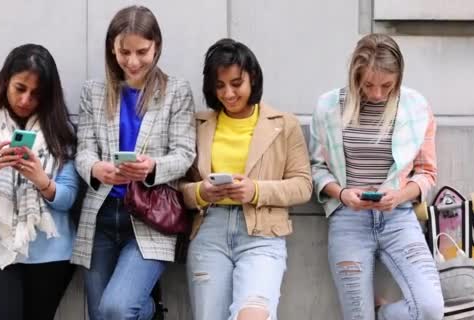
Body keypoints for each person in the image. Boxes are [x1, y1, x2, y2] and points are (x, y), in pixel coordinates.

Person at [71, 5, 196, 320]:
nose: (133, 61)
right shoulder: (93, 92)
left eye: (142, 51)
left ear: (157, 47)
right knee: (101, 316)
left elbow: (184, 153)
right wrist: (96, 170)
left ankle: (151, 311)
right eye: (124, 52)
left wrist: (151, 168)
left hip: (149, 217)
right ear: (112, 48)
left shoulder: (176, 91)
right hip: (100, 217)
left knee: (115, 309)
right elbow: (83, 151)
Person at [309, 33, 444, 320]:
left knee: (431, 309)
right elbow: (316, 168)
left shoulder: (416, 107)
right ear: (355, 74)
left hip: (399, 219)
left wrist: (399, 195)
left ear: (398, 77)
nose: (376, 94)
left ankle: (383, 313)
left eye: (386, 85)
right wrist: (343, 194)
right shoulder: (329, 107)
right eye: (368, 84)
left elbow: (427, 172)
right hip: (348, 220)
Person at [180, 38, 312, 320]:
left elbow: (303, 185)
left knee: (253, 316)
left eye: (236, 83)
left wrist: (255, 190)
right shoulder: (198, 124)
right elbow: (178, 188)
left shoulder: (283, 124)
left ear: (253, 78)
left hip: (262, 233)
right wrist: (202, 192)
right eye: (220, 86)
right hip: (209, 231)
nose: (228, 93)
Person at [0, 43, 78, 320]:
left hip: (49, 256)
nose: (25, 100)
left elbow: (68, 199)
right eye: (20, 88)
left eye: (36, 94)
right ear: (5, 82)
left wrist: (42, 180)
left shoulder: (62, 132)